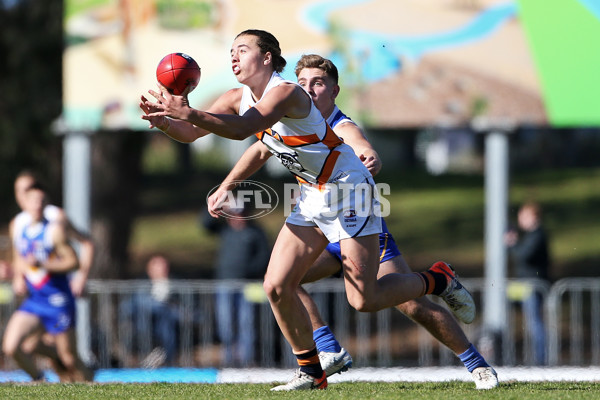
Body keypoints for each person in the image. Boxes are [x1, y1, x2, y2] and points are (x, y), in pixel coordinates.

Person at [140, 29, 474, 391]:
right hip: (314, 196)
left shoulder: (285, 91)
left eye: (242, 50)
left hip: (350, 189)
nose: (233, 57)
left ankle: (439, 278)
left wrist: (187, 111)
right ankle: (312, 372)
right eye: (231, 51)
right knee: (276, 286)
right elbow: (189, 134)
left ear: (267, 57)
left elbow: (244, 130)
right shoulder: (236, 97)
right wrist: (166, 124)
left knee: (364, 299)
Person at [290, 54, 498, 389]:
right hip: (321, 228)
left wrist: (369, 158)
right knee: (282, 281)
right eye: (302, 84)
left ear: (334, 90)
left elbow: (362, 147)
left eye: (317, 83)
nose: (309, 90)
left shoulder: (341, 125)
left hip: (360, 227)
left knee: (413, 306)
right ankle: (328, 350)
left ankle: (476, 363)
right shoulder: (294, 120)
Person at [2, 182, 93, 382]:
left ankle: (92, 385)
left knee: (69, 358)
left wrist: (45, 264)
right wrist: (13, 274)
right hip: (35, 301)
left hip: (58, 300)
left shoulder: (54, 231)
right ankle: (40, 380)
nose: (37, 205)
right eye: (33, 200)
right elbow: (19, 260)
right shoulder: (19, 229)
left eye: (41, 201)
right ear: (24, 202)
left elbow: (73, 262)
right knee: (11, 346)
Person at [201, 204, 270, 366]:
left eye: (240, 214)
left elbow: (264, 257)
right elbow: (205, 224)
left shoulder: (256, 232)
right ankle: (229, 359)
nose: (237, 218)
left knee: (247, 322)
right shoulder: (224, 231)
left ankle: (247, 360)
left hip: (249, 285)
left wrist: (249, 271)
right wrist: (216, 206)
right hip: (224, 284)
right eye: (233, 214)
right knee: (225, 322)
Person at [505, 201, 550, 365]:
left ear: (533, 217)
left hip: (533, 285)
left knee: (535, 323)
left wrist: (512, 244)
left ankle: (540, 360)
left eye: (523, 216)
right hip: (524, 285)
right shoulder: (531, 236)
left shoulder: (537, 235)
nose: (521, 220)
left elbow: (524, 256)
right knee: (527, 321)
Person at [119, 254, 180, 367]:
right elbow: (128, 307)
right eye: (159, 267)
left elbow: (184, 310)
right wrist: (161, 306)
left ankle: (164, 360)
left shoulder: (176, 286)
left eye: (165, 267)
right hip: (143, 325)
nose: (163, 271)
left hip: (166, 328)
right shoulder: (141, 286)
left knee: (167, 321)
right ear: (150, 270)